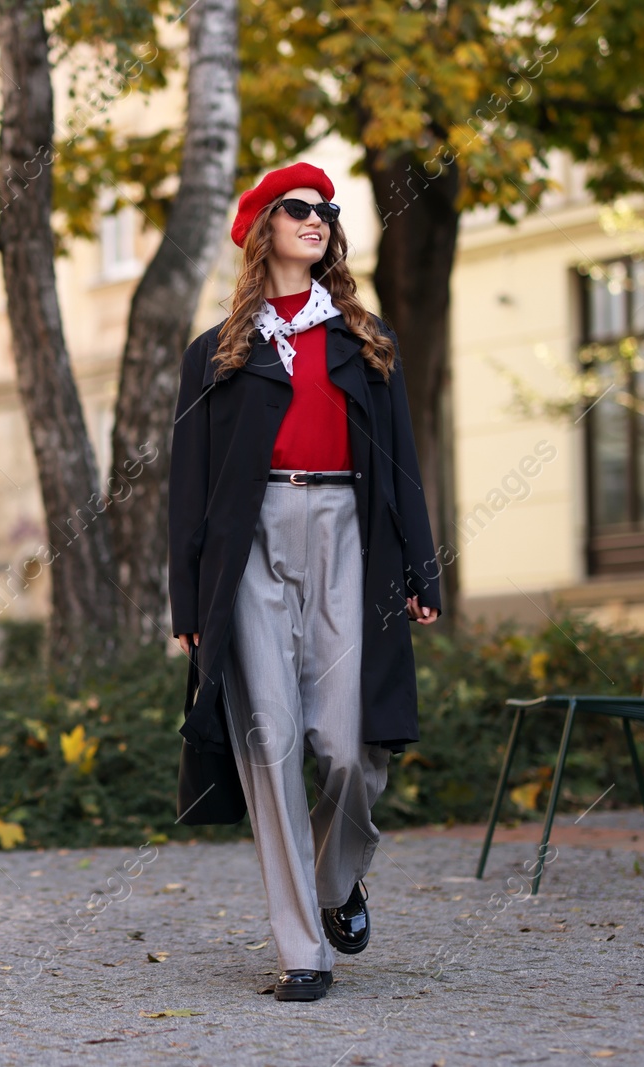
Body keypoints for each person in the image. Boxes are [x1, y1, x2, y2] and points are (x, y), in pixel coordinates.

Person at [167, 161, 442, 1003]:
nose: (316, 219)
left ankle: (335, 882)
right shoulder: (216, 353)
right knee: (270, 739)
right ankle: (301, 949)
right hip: (247, 547)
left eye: (325, 210)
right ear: (263, 229)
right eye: (298, 209)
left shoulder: (365, 341)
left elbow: (401, 462)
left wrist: (422, 565)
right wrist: (187, 597)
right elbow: (188, 481)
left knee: (347, 745)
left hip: (348, 536)